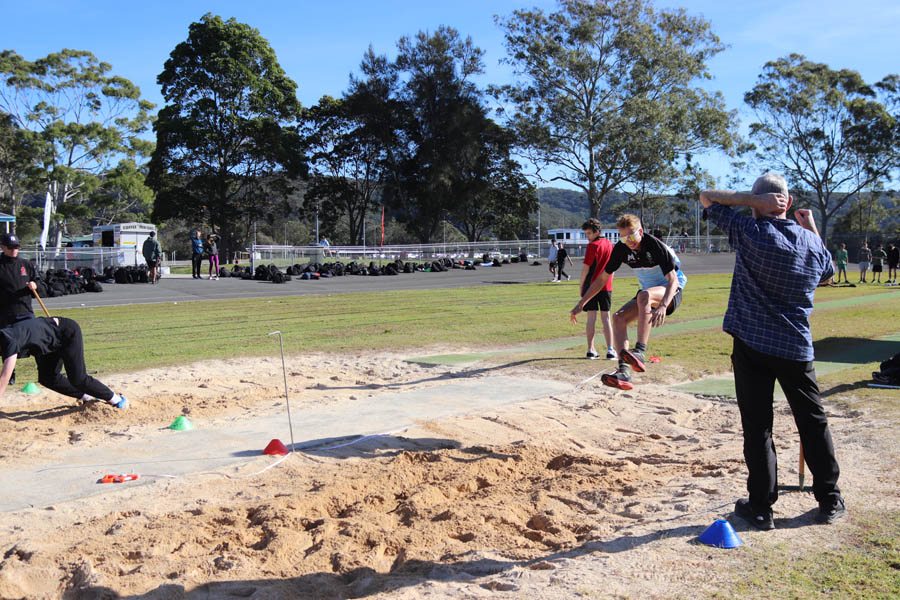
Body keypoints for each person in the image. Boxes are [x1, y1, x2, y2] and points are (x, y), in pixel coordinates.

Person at [700, 173, 845, 531]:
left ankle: (762, 508)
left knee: (758, 427)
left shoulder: (749, 232)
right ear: (788, 203)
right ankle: (830, 499)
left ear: (758, 203)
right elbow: (827, 273)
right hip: (796, 347)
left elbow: (705, 196)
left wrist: (752, 202)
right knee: (813, 422)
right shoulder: (811, 242)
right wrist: (811, 227)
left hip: (752, 344)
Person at [571, 214, 686, 389]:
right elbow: (602, 279)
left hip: (670, 291)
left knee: (644, 296)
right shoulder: (621, 248)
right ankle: (623, 372)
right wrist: (582, 304)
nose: (629, 241)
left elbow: (673, 280)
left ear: (641, 232)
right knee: (618, 318)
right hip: (647, 293)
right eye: (624, 238)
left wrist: (663, 305)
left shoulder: (654, 245)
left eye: (631, 236)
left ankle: (640, 352)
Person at [0, 316, 128, 408]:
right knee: (48, 378)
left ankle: (117, 400)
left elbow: (5, 377)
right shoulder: (4, 337)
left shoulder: (9, 341)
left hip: (66, 333)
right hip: (49, 344)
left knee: (78, 378)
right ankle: (87, 396)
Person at [0, 233, 37, 386]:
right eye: (11, 247)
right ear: (2, 247)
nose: (14, 250)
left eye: (16, 247)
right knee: (7, 346)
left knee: (37, 341)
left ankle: (49, 370)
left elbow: (38, 281)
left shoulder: (26, 264)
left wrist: (35, 285)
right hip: (5, 313)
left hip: (25, 310)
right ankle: (10, 374)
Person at [578, 219, 616, 360]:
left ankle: (591, 349)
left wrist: (581, 285)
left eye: (589, 233)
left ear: (597, 232)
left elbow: (586, 269)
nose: (587, 236)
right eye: (586, 233)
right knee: (606, 318)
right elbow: (613, 267)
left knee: (591, 318)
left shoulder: (592, 246)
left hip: (591, 286)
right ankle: (610, 350)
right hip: (606, 286)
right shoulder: (610, 245)